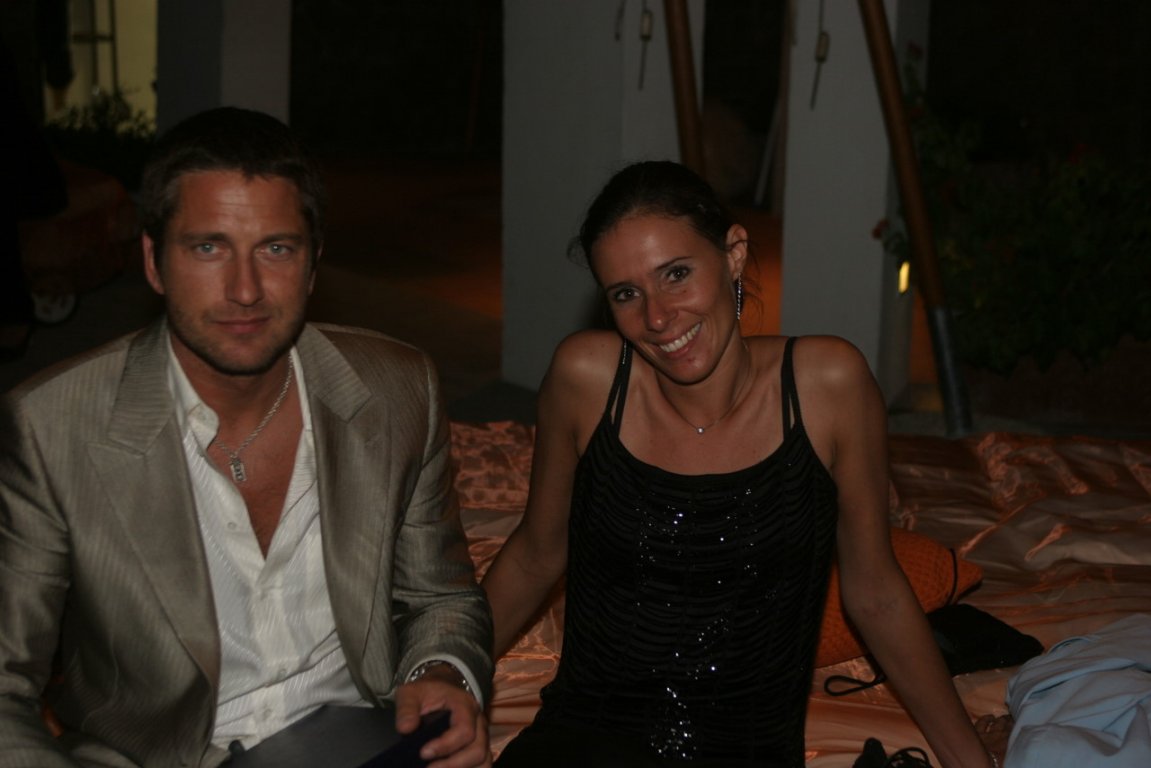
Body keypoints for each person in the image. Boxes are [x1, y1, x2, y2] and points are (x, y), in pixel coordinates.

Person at [0, 107, 493, 767]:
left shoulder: (398, 389)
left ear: (312, 265)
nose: (245, 290)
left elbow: (440, 595)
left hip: (358, 746)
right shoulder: (50, 426)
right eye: (208, 247)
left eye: (276, 248)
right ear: (153, 262)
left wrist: (443, 672)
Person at [481, 160, 997, 767]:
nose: (656, 317)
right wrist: (442, 669)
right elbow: (536, 555)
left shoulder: (828, 386)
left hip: (745, 751)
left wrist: (971, 762)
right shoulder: (587, 380)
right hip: (585, 742)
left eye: (676, 274)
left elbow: (876, 592)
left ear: (733, 254)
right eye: (626, 294)